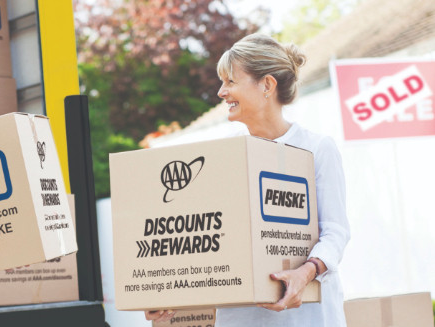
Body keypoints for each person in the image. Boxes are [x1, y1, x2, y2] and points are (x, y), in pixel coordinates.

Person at [145, 33, 351, 326]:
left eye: (230, 82)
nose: (221, 92)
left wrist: (304, 273)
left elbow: (335, 233)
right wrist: (166, 294)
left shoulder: (316, 148)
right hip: (243, 317)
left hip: (306, 316)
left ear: (266, 85)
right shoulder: (223, 155)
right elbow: (205, 238)